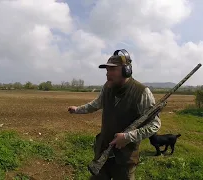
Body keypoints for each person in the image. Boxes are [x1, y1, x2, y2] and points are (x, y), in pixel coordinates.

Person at [68, 49, 161, 180]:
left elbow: (155, 124)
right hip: (103, 151)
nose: (108, 74)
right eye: (107, 70)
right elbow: (96, 104)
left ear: (126, 70)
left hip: (125, 158)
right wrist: (77, 109)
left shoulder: (142, 92)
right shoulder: (107, 87)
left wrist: (128, 137)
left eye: (112, 70)